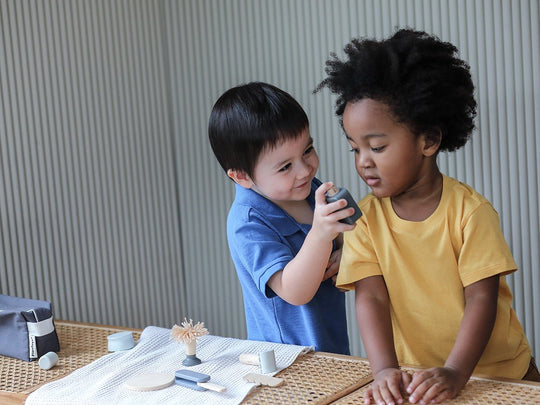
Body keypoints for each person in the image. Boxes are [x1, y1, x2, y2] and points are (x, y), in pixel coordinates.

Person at [316, 29, 539, 404]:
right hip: (419, 379)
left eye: (377, 146)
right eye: (355, 149)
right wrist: (384, 369)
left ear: (429, 141)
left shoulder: (470, 212)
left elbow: (481, 300)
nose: (363, 161)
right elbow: (371, 297)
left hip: (498, 375)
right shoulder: (366, 218)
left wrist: (456, 371)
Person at [208, 81, 355, 354]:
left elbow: (348, 240)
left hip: (331, 349)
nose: (304, 170)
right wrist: (321, 234)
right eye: (285, 166)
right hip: (285, 361)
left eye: (308, 150)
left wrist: (345, 253)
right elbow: (294, 291)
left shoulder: (309, 190)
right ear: (241, 176)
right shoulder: (248, 222)